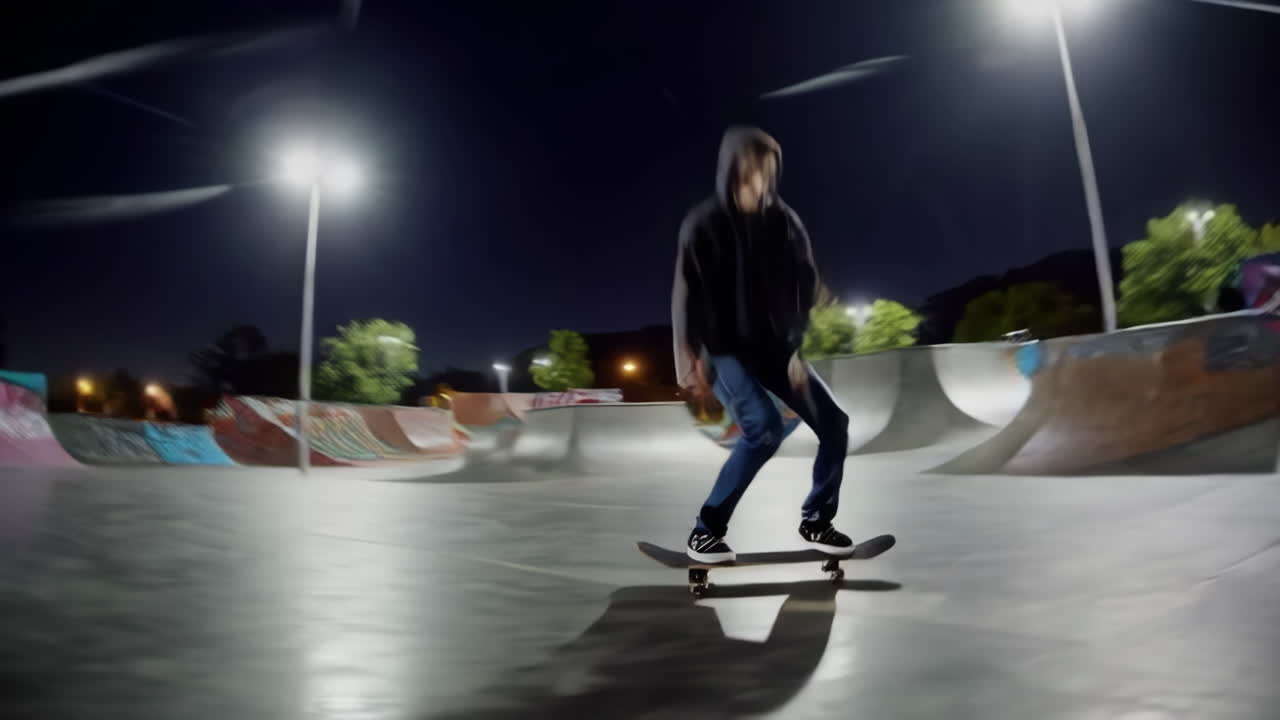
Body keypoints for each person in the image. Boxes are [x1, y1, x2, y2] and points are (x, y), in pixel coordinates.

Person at [672, 126, 852, 563]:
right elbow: (685, 292)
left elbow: (805, 282)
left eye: (768, 171)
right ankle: (706, 529)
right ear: (734, 169)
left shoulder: (785, 222)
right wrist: (686, 356)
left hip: (776, 348)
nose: (760, 180)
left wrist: (797, 348)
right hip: (724, 350)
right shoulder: (704, 223)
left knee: (835, 424)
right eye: (752, 169)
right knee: (764, 429)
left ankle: (816, 519)